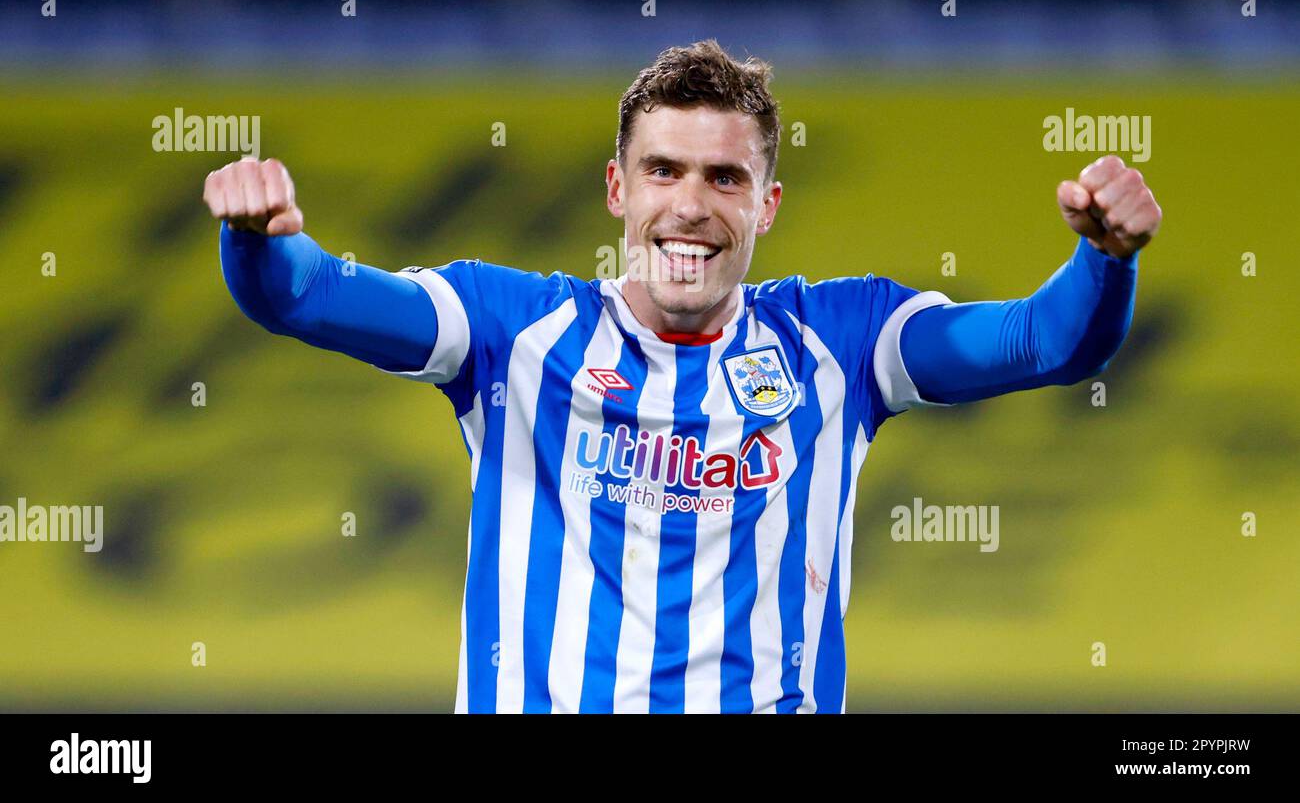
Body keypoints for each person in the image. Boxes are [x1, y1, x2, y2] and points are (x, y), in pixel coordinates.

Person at [203, 39, 1162, 713]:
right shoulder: (509, 333)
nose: (691, 208)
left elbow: (1046, 342)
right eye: (663, 172)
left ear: (769, 203)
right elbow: (311, 296)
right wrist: (258, 243)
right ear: (618, 188)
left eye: (725, 179)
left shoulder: (843, 341)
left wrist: (1105, 260)